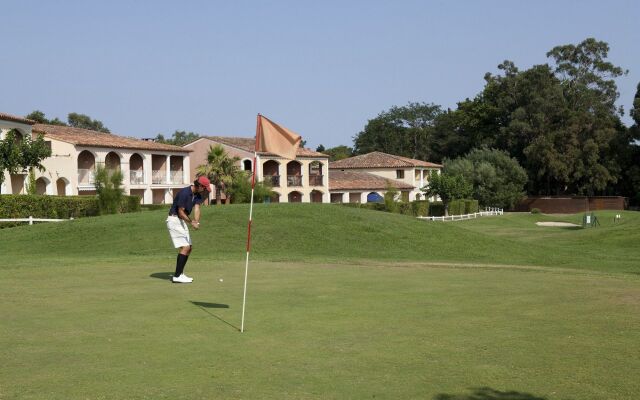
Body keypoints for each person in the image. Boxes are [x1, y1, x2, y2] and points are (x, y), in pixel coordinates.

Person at [166, 176, 211, 283]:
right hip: (174, 220)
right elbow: (180, 212)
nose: (205, 191)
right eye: (204, 188)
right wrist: (191, 223)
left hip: (181, 220)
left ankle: (180, 274)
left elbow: (197, 208)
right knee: (185, 247)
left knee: (189, 247)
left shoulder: (197, 195)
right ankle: (177, 276)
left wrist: (196, 221)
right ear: (199, 185)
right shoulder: (184, 193)